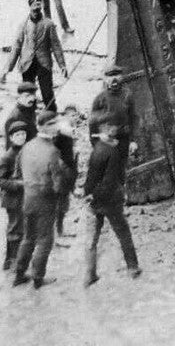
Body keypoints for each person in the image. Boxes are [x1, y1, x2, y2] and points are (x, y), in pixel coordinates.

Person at [84, 118, 141, 286]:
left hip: (96, 201)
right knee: (123, 232)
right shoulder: (111, 151)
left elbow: (91, 178)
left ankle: (90, 273)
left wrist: (88, 195)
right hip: (110, 200)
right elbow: (108, 180)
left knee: (92, 238)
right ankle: (132, 267)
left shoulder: (98, 150)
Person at [13, 111, 66, 288]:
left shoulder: (27, 146)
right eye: (52, 124)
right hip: (45, 200)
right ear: (42, 126)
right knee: (45, 240)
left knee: (28, 237)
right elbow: (57, 183)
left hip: (28, 199)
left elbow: (18, 173)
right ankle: (37, 277)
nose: (56, 127)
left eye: (56, 123)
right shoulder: (52, 151)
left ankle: (19, 274)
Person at [3, 0, 68, 113]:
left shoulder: (49, 24)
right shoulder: (23, 24)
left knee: (47, 93)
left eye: (39, 6)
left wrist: (62, 65)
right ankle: (28, 115)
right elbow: (17, 46)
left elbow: (56, 46)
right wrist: (8, 68)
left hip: (44, 63)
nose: (36, 10)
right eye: (34, 7)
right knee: (27, 93)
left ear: (41, 8)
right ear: (30, 8)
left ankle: (51, 115)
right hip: (27, 62)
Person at [0, 120, 29, 270]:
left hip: (22, 197)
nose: (21, 137)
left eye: (23, 134)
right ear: (11, 137)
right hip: (12, 199)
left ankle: (10, 260)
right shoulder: (7, 157)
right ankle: (14, 262)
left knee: (19, 227)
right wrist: (17, 184)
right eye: (17, 134)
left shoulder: (25, 151)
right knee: (15, 229)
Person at [89, 73, 137, 164]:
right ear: (105, 80)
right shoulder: (99, 99)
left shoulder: (127, 96)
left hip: (124, 140)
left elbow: (133, 119)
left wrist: (133, 141)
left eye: (117, 75)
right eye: (110, 77)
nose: (114, 79)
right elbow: (93, 127)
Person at [53, 110, 78, 238]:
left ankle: (59, 230)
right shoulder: (61, 132)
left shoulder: (68, 130)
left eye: (76, 115)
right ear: (66, 116)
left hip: (68, 169)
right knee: (60, 201)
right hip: (62, 171)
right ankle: (58, 231)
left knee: (64, 201)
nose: (75, 118)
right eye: (72, 115)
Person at [4, 82, 38, 149]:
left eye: (33, 95)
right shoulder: (14, 118)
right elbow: (11, 147)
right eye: (27, 96)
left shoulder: (30, 109)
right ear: (19, 97)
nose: (31, 99)